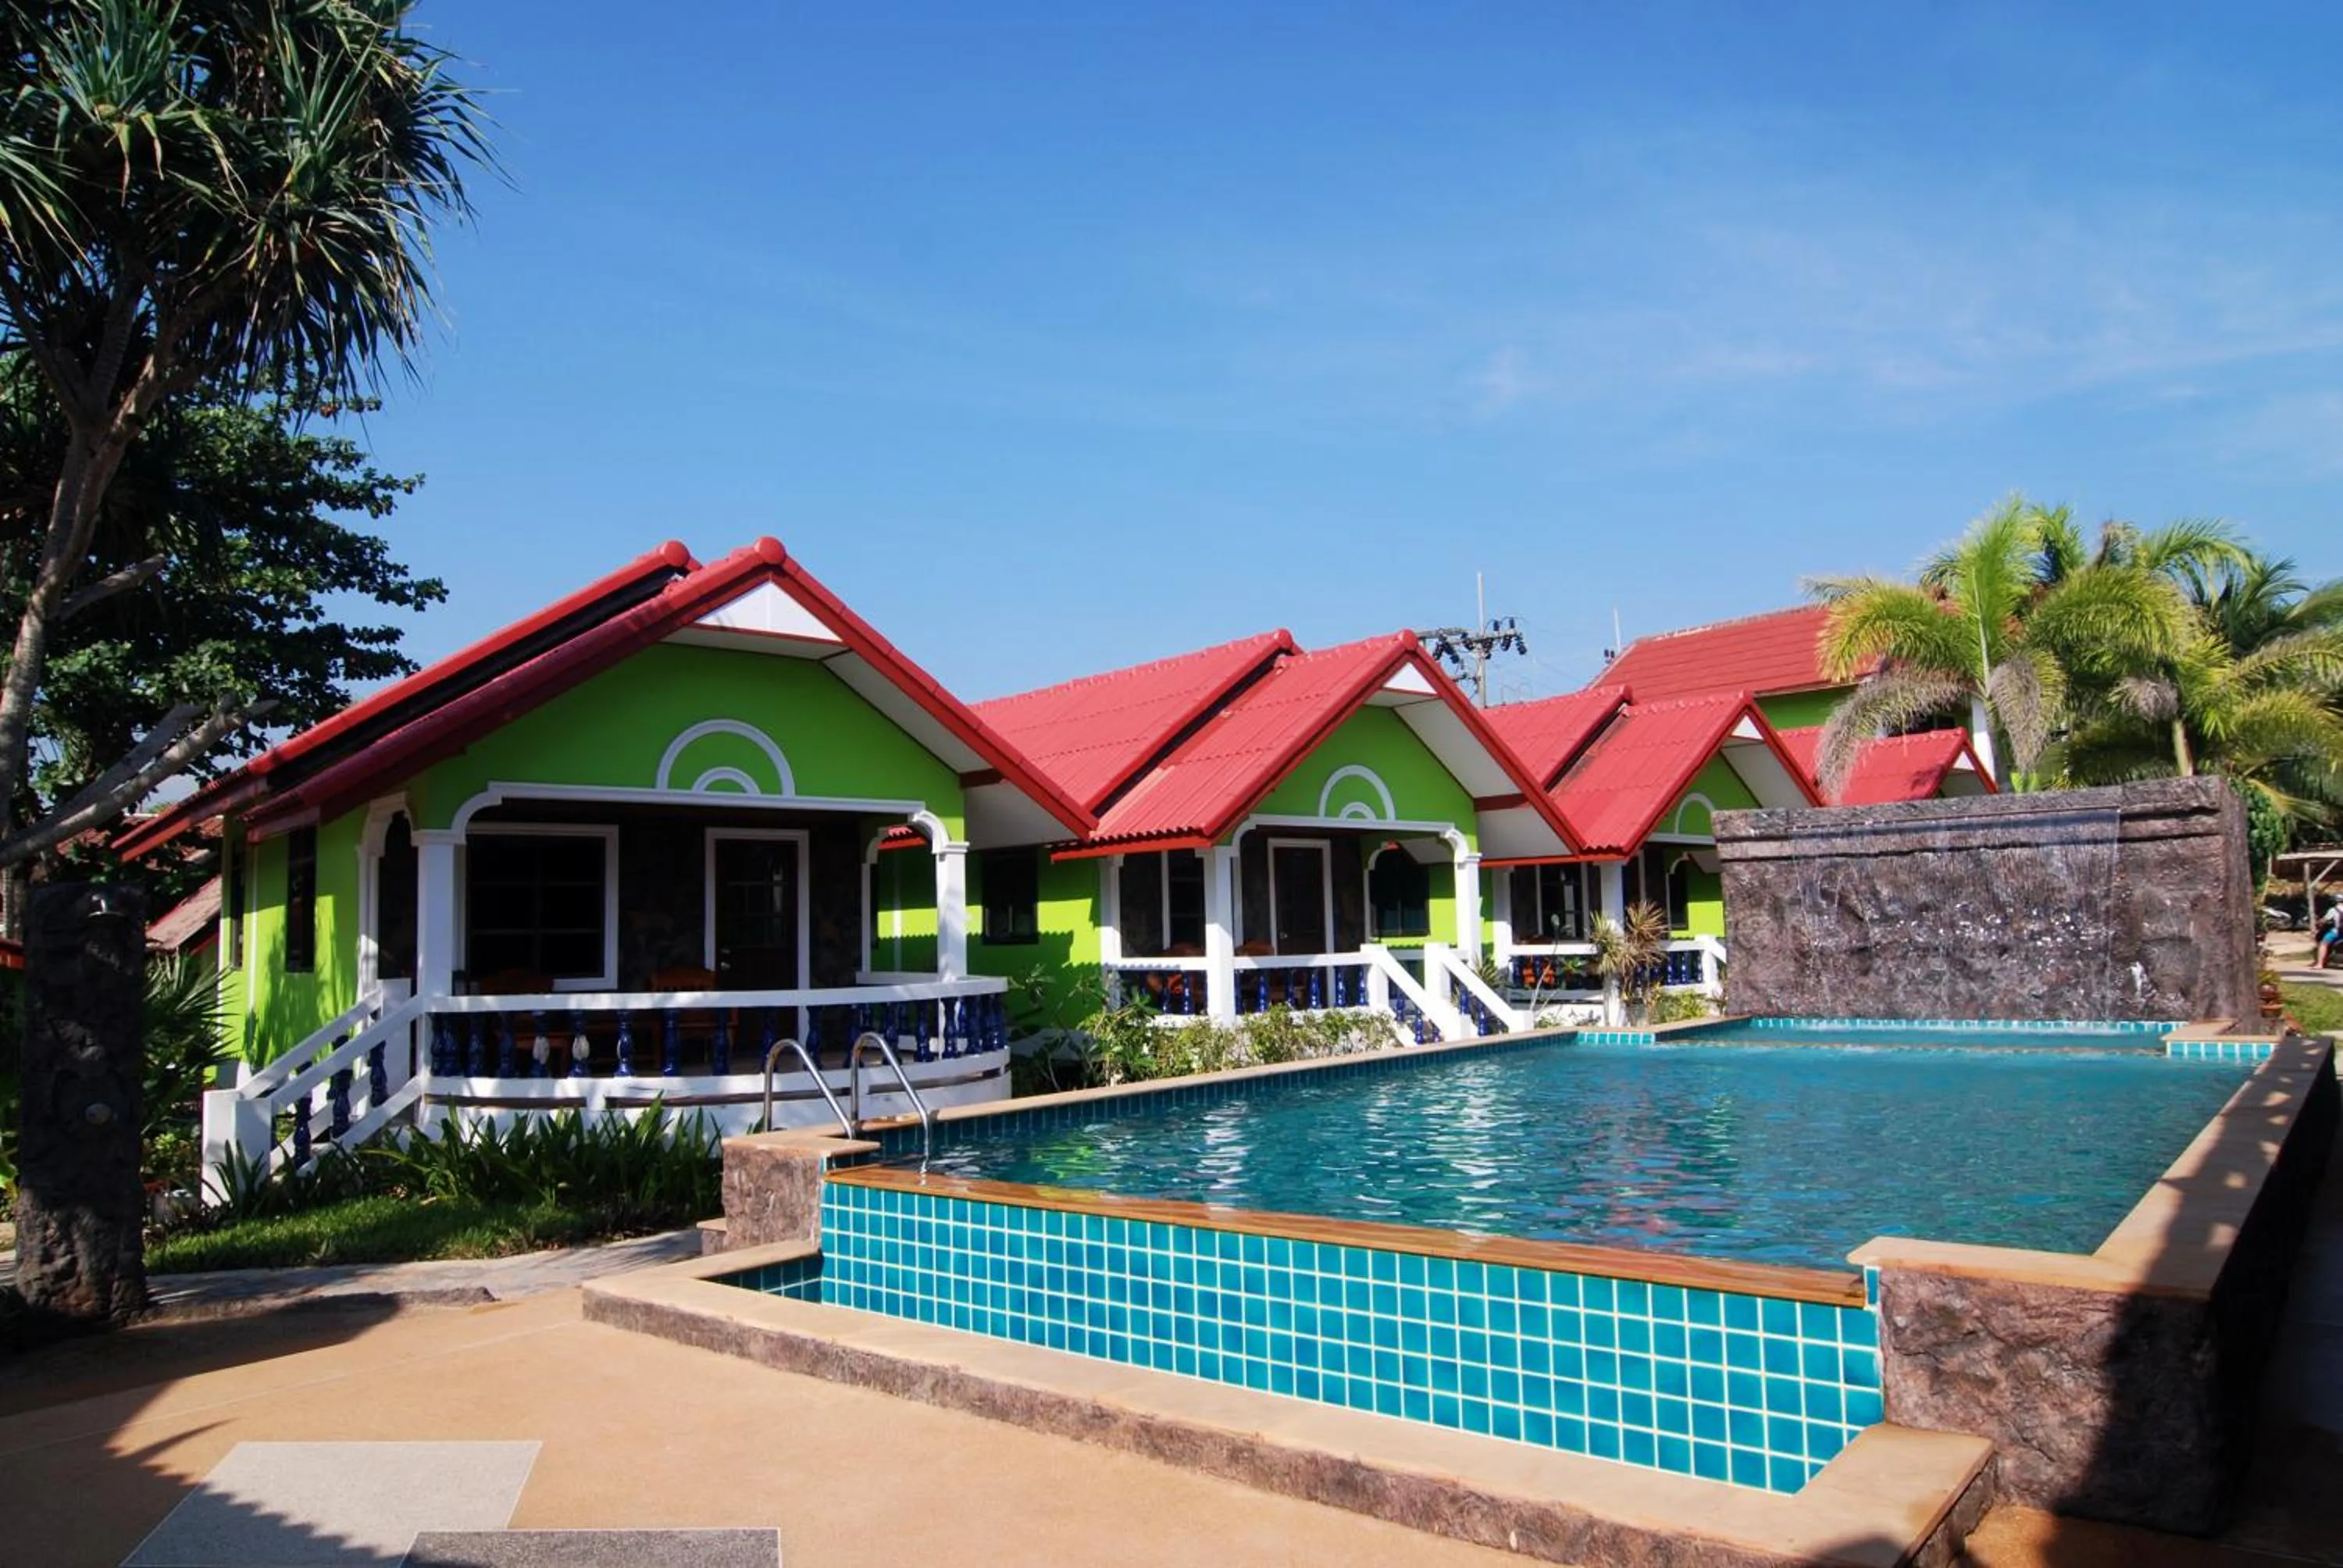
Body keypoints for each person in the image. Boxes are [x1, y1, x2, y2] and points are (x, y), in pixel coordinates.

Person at [2318, 900, 2343, 969]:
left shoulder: (2334, 910)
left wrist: (2319, 922)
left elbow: (2325, 920)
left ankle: (2320, 964)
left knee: (2323, 943)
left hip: (2337, 932)